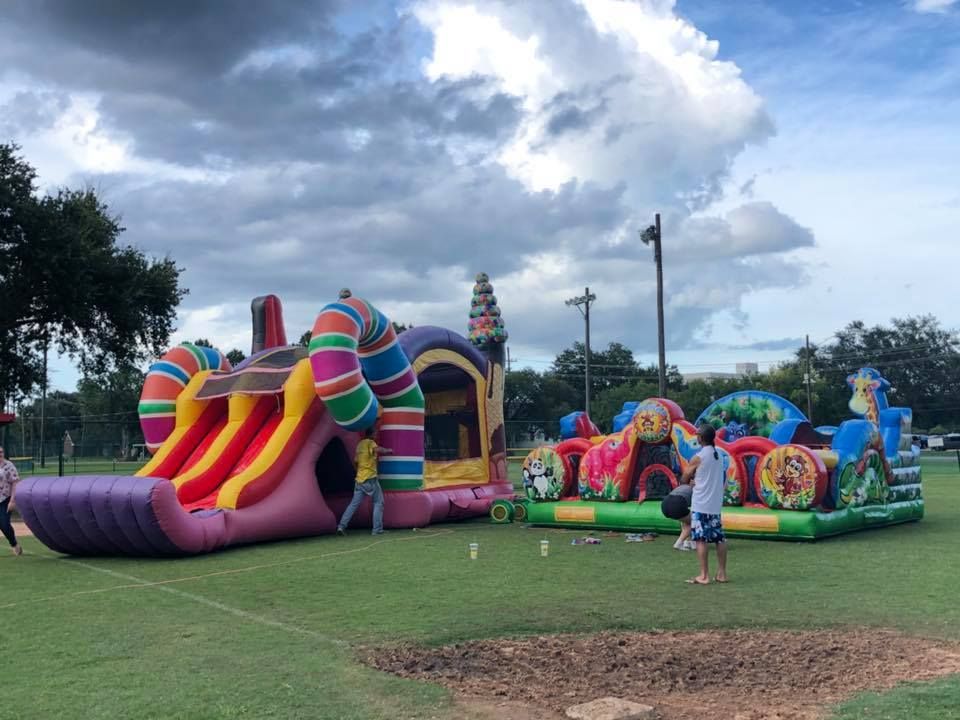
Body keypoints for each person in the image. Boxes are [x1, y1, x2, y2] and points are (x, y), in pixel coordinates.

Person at [680, 425, 728, 584]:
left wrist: (692, 481)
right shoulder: (718, 455)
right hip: (715, 504)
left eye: (697, 434)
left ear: (701, 437)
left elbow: (684, 478)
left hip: (701, 503)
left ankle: (704, 575)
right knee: (719, 539)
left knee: (701, 540)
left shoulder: (698, 457)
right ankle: (721, 573)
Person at [337, 427, 392, 536]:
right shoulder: (370, 443)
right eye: (375, 434)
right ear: (371, 434)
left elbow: (356, 462)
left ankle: (341, 526)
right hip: (370, 478)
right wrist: (388, 450)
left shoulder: (359, 445)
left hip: (359, 480)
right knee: (378, 502)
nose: (376, 436)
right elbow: (377, 450)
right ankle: (377, 530)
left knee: (353, 504)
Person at [0, 446, 23, 556]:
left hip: (5, 499)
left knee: (4, 524)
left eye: (1, 452)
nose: (0, 454)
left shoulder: (9, 466)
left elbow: (15, 482)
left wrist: (12, 501)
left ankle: (14, 544)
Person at [660, 482, 694, 550]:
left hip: (664, 504)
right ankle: (679, 543)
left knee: (686, 519)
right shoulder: (695, 490)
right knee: (695, 521)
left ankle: (687, 542)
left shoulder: (683, 487)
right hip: (676, 504)